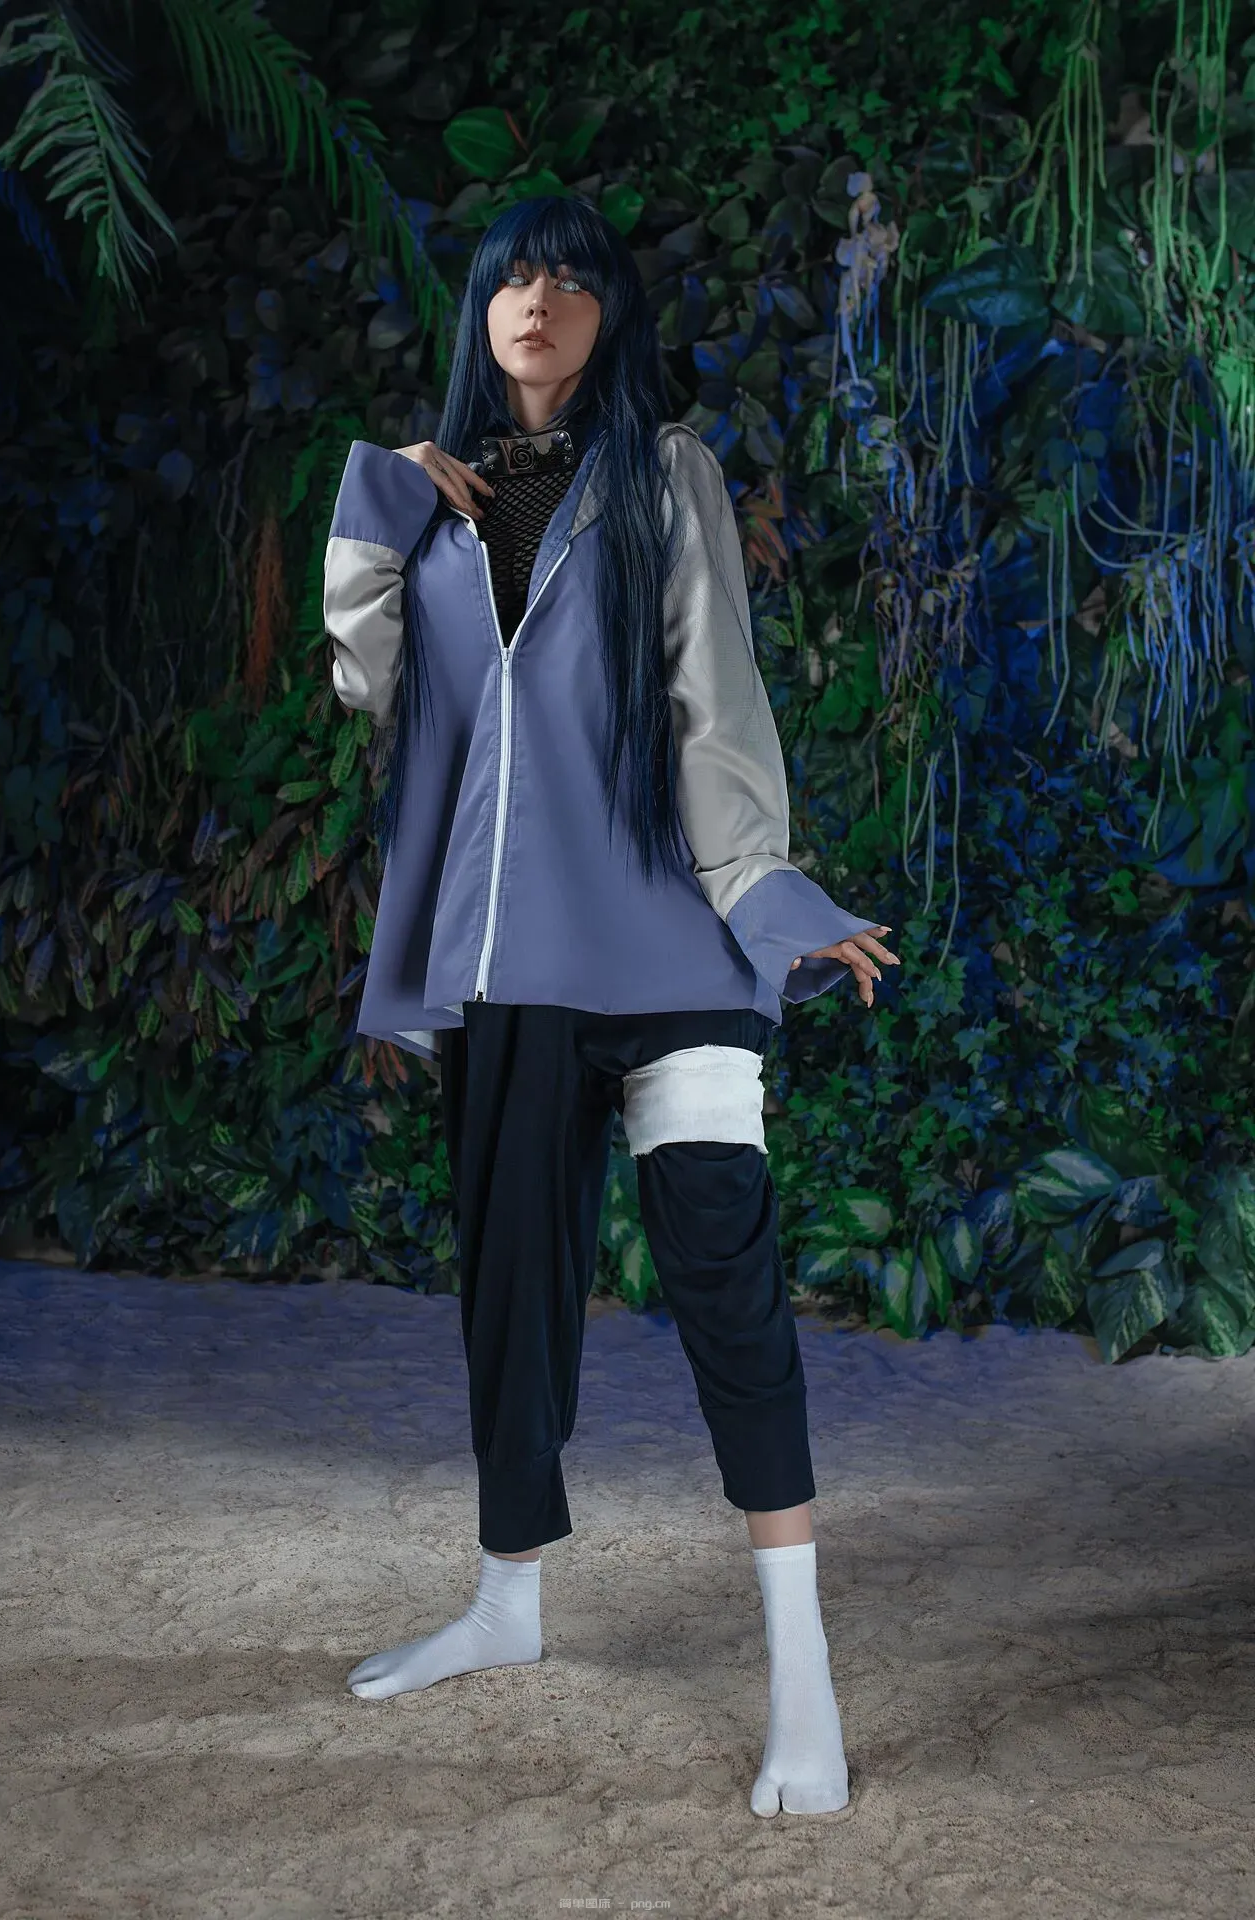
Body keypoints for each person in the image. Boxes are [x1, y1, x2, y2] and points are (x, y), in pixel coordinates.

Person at [323, 193, 901, 1817]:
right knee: (511, 1285)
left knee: (725, 1274)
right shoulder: (434, 507)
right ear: (479, 311)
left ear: (609, 318)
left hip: (669, 947)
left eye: (571, 281)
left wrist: (769, 894)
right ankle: (506, 1603)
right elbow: (370, 685)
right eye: (512, 277)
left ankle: (803, 1676)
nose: (537, 299)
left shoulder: (662, 475)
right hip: (510, 956)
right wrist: (382, 501)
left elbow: (715, 699)